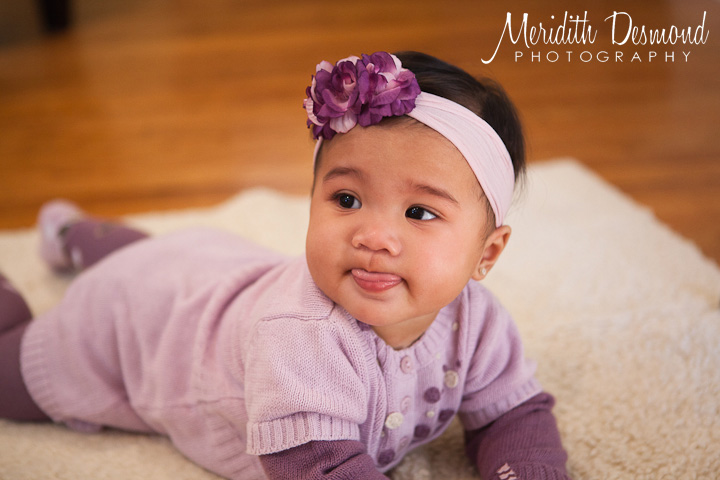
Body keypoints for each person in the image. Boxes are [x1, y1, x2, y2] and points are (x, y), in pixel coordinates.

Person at [0, 51, 571, 479]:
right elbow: (324, 466)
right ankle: (58, 255)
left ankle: (78, 235)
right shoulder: (300, 338)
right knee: (10, 376)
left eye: (419, 212)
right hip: (134, 322)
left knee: (168, 257)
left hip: (206, 268)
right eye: (346, 199)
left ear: (486, 253)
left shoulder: (479, 324)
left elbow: (513, 415)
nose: (373, 237)